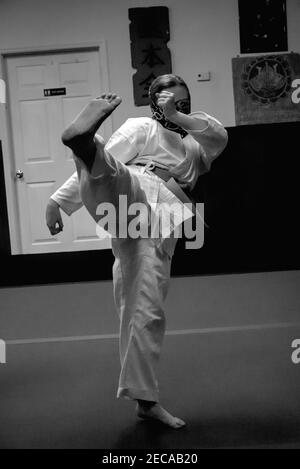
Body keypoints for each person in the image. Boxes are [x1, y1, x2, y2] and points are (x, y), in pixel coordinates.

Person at [46, 74, 228, 429]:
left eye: (183, 101)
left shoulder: (196, 143)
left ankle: (146, 401)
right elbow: (117, 159)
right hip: (132, 187)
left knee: (145, 308)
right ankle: (85, 144)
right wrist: (57, 201)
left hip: (167, 214)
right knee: (113, 171)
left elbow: (219, 136)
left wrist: (178, 117)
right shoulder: (142, 126)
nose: (176, 105)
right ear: (152, 103)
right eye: (168, 101)